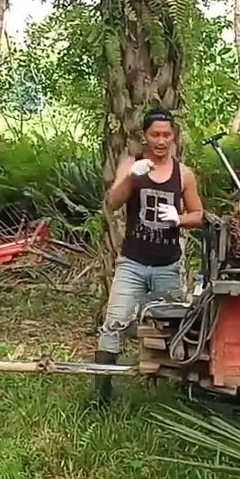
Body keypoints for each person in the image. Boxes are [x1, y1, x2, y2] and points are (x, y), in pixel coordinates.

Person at [91, 107, 205, 408]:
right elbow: (113, 203)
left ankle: (166, 396)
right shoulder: (131, 163)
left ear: (174, 137)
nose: (161, 140)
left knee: (169, 329)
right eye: (155, 134)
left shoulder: (184, 175)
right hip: (132, 263)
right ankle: (101, 396)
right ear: (145, 136)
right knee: (114, 323)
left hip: (167, 264)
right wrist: (130, 177)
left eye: (167, 134)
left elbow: (200, 214)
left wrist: (179, 219)